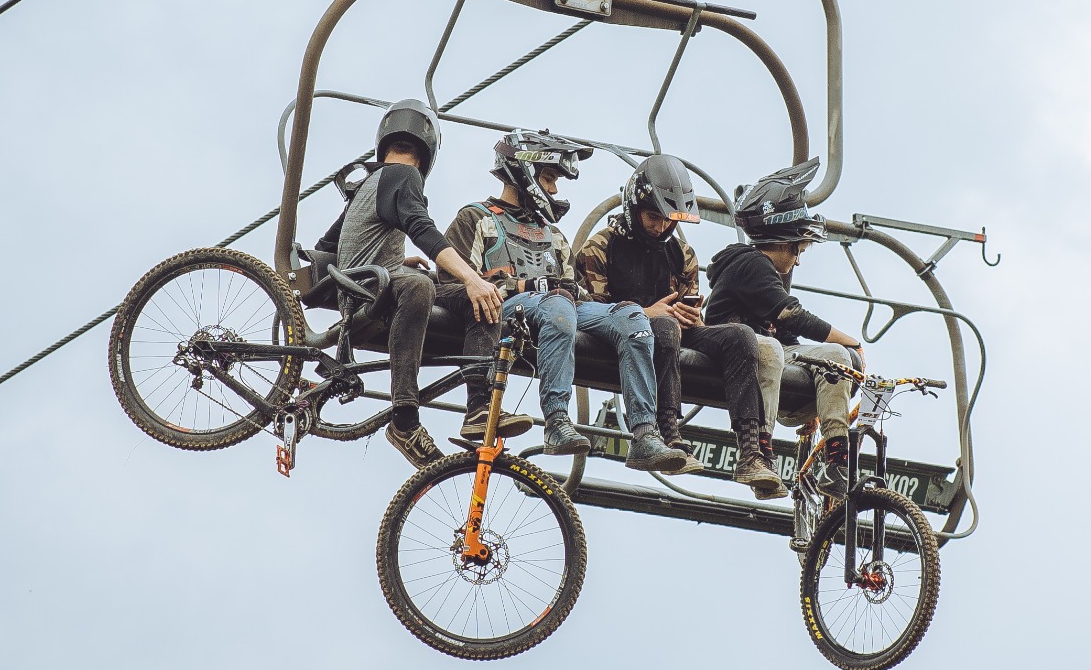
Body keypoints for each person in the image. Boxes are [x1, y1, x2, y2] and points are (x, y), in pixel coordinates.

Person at [441, 130, 690, 472]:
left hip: (561, 306)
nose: (554, 190)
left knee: (633, 316)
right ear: (523, 172)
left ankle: (645, 434)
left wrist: (573, 293)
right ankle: (557, 421)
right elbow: (456, 283)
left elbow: (577, 291)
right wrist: (527, 285)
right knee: (558, 305)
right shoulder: (477, 217)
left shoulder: (552, 234)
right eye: (548, 178)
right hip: (510, 307)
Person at [574, 154, 787, 500]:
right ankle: (669, 433)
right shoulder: (600, 247)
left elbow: (690, 306)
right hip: (626, 334)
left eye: (669, 220)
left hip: (675, 332)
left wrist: (694, 318)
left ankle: (751, 451)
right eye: (653, 218)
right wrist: (648, 312)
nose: (661, 228)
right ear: (634, 208)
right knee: (663, 327)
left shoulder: (683, 254)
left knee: (741, 336)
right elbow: (588, 312)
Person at [311, 99, 503, 469]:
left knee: (479, 299)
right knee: (429, 287)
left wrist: (394, 262)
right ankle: (404, 417)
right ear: (428, 153)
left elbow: (326, 249)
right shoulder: (404, 176)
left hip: (366, 281)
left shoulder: (368, 184)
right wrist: (472, 277)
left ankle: (479, 410)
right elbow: (422, 229)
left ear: (384, 140)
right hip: (369, 287)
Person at [705, 160, 869, 523]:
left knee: (833, 357)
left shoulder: (770, 271)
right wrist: (854, 342)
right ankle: (759, 453)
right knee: (770, 347)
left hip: (772, 349)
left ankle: (836, 459)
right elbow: (789, 315)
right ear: (780, 239)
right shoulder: (749, 263)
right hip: (733, 349)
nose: (798, 259)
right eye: (798, 249)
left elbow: (788, 334)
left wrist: (838, 358)